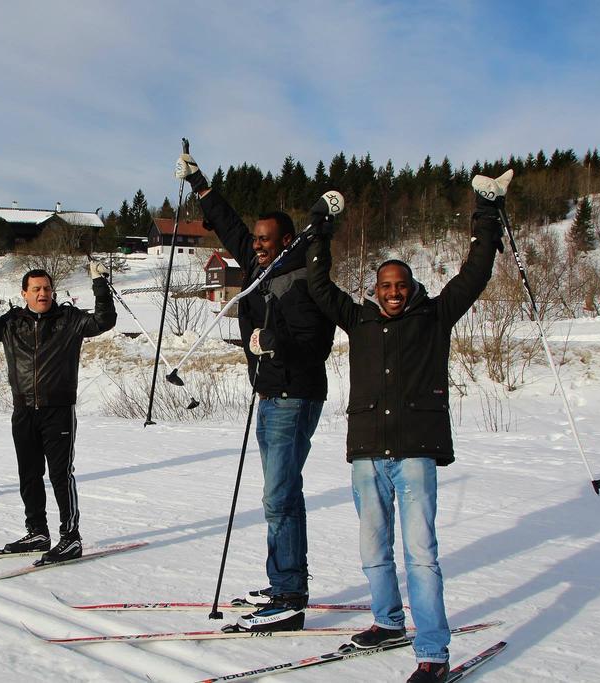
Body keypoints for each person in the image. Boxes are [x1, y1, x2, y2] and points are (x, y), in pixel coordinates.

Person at [305, 170, 512, 683]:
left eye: (401, 286)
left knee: (421, 555)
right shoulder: (359, 320)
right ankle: (387, 622)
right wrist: (321, 227)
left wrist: (487, 213)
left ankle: (432, 652)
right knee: (373, 549)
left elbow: (476, 274)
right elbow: (316, 283)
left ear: (412, 287)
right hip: (368, 453)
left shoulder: (435, 316)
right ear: (374, 291)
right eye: (386, 287)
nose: (394, 293)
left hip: (416, 452)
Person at [175, 152, 337, 632]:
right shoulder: (261, 265)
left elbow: (316, 345)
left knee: (279, 495)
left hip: (294, 395)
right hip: (270, 396)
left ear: (287, 240)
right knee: (281, 494)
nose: (257, 245)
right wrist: (200, 182)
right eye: (257, 240)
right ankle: (283, 580)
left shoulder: (304, 277)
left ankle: (290, 596)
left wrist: (271, 342)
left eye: (266, 240)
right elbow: (228, 226)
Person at [0, 261, 116, 564]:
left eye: (46, 288)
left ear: (52, 291)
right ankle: (37, 533)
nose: (42, 293)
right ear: (25, 294)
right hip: (23, 411)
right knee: (28, 475)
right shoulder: (11, 323)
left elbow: (104, 320)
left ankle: (71, 538)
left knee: (60, 475)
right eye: (36, 289)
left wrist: (99, 282)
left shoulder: (69, 319)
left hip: (57, 410)